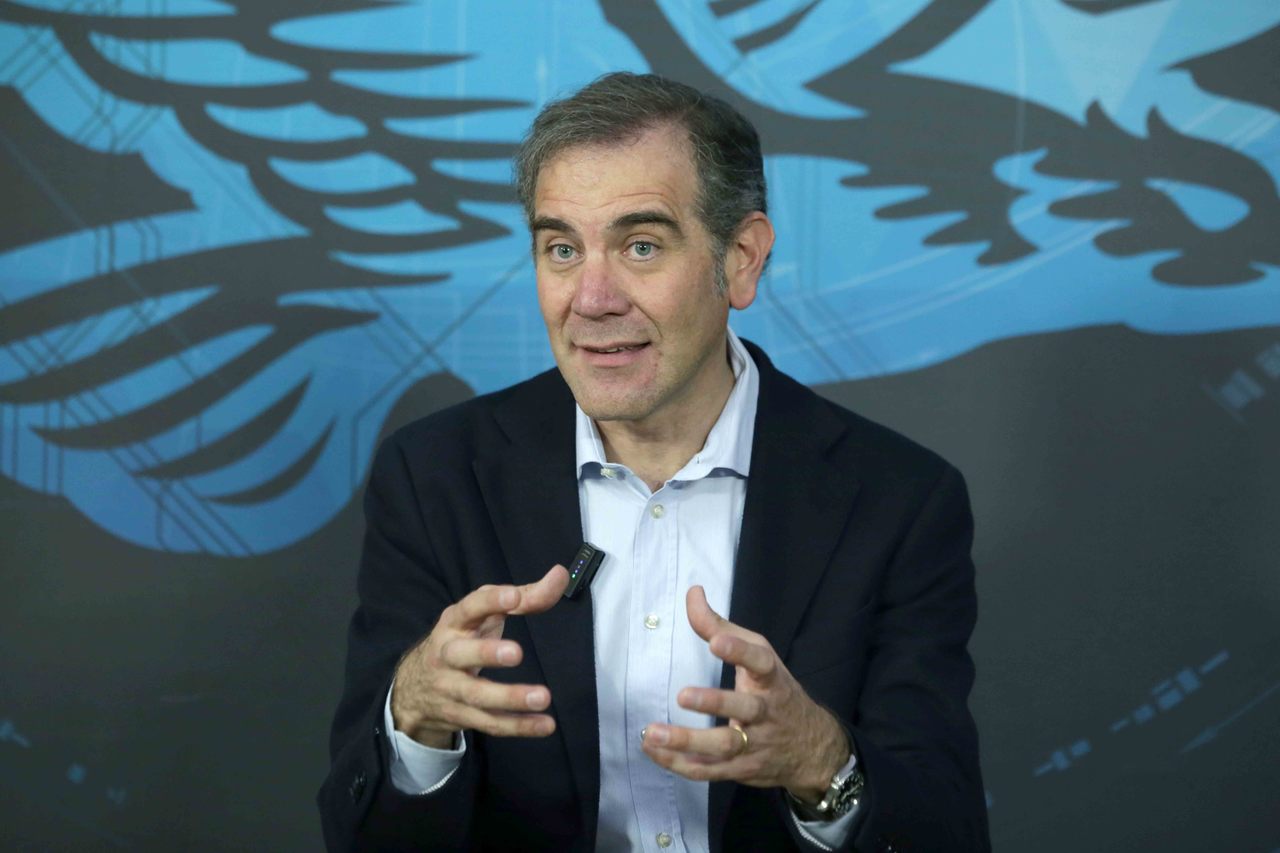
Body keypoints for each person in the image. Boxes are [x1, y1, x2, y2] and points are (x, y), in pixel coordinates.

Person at [319, 72, 990, 853]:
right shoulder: (434, 478)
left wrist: (822, 763)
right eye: (562, 249)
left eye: (641, 245)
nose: (592, 298)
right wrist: (414, 719)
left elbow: (946, 833)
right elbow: (361, 836)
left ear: (742, 259)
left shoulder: (899, 500)